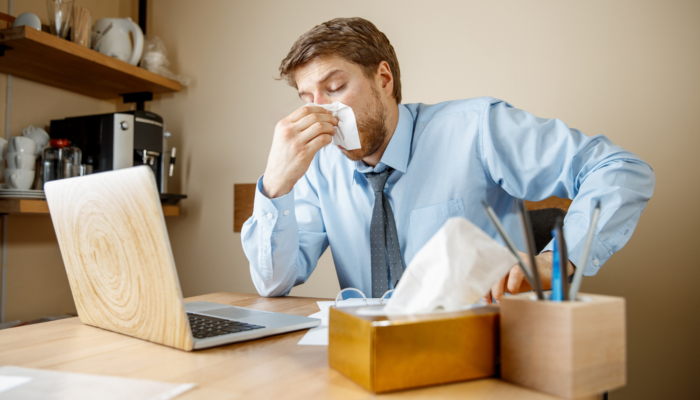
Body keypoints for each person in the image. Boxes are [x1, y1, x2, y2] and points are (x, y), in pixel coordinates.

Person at [241, 17, 655, 302]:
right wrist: (276, 185)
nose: (320, 113)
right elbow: (274, 283)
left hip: (481, 348)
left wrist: (559, 260)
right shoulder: (318, 168)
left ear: (383, 79)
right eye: (307, 99)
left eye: (334, 88)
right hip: (371, 358)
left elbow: (618, 169)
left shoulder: (476, 129)